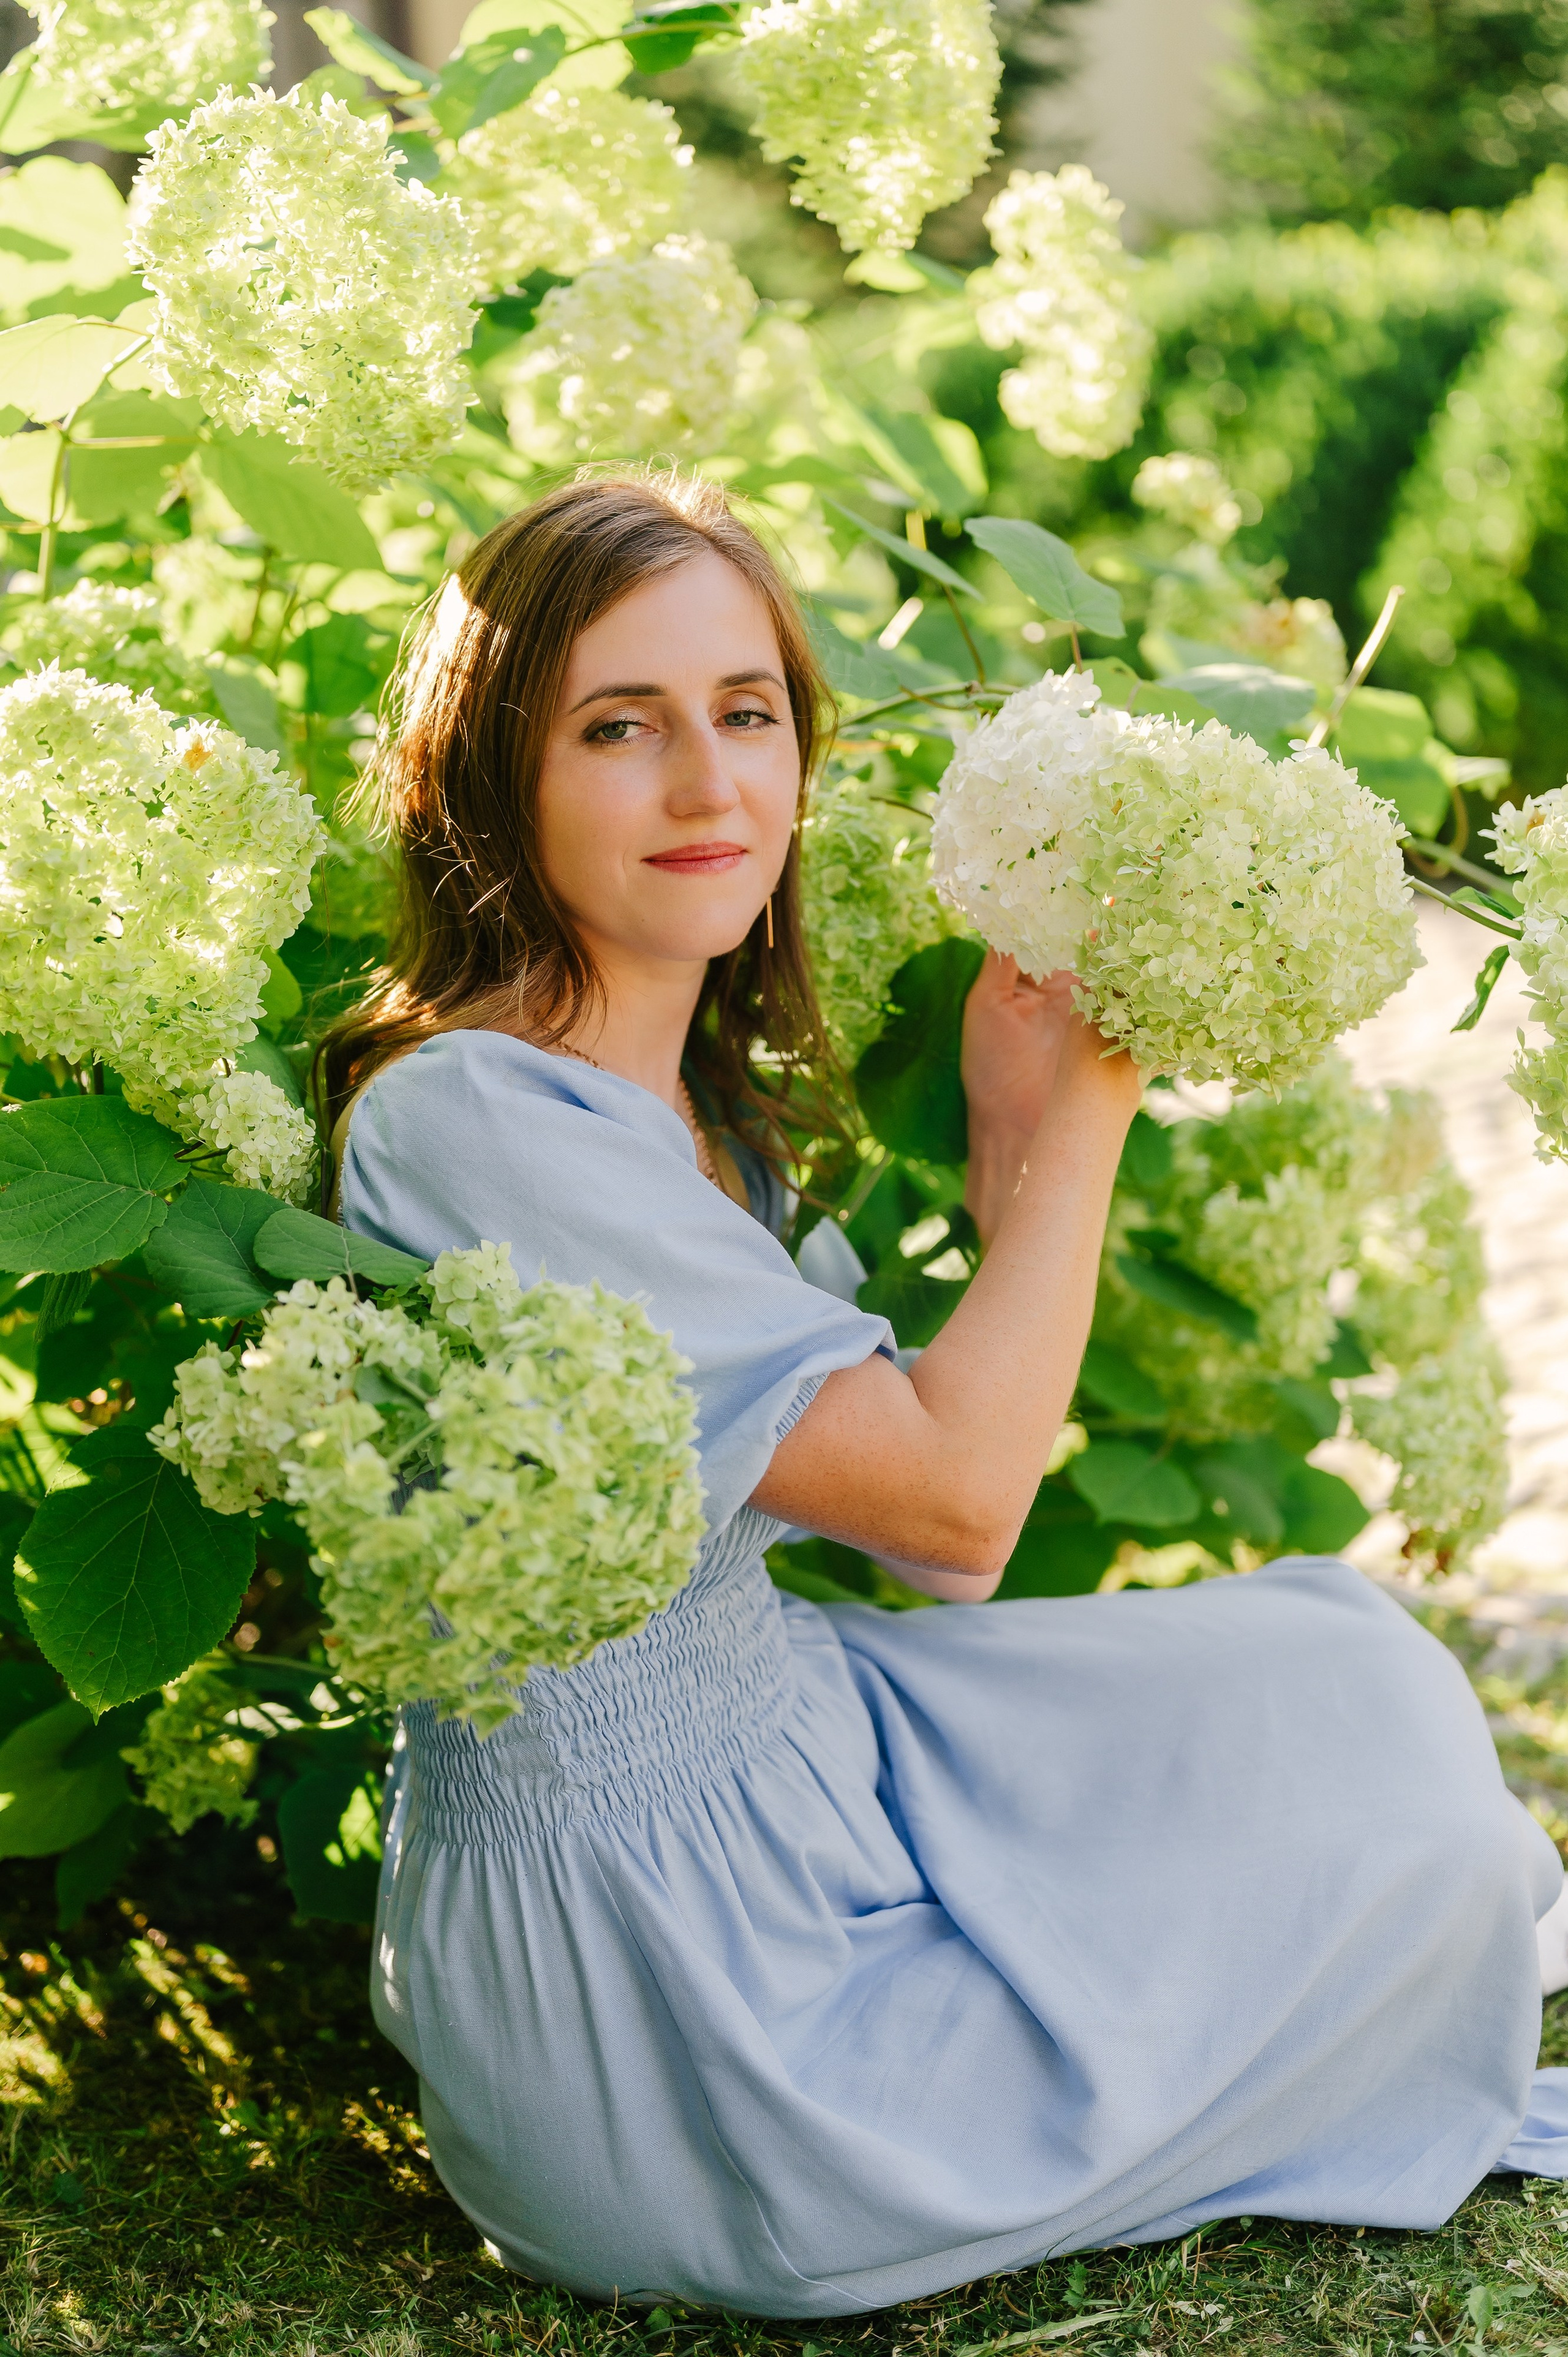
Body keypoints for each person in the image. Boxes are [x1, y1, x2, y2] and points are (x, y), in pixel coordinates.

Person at [323, 469, 1568, 2317]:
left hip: (805, 1758)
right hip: (689, 2021)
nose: (710, 785)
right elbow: (959, 1506)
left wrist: (1008, 1152)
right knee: (1387, 1868)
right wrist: (1087, 1109)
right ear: (487, 776)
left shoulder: (677, 1114)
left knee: (1361, 1684)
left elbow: (939, 1567)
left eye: (748, 715)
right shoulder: (471, 1118)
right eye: (619, 728)